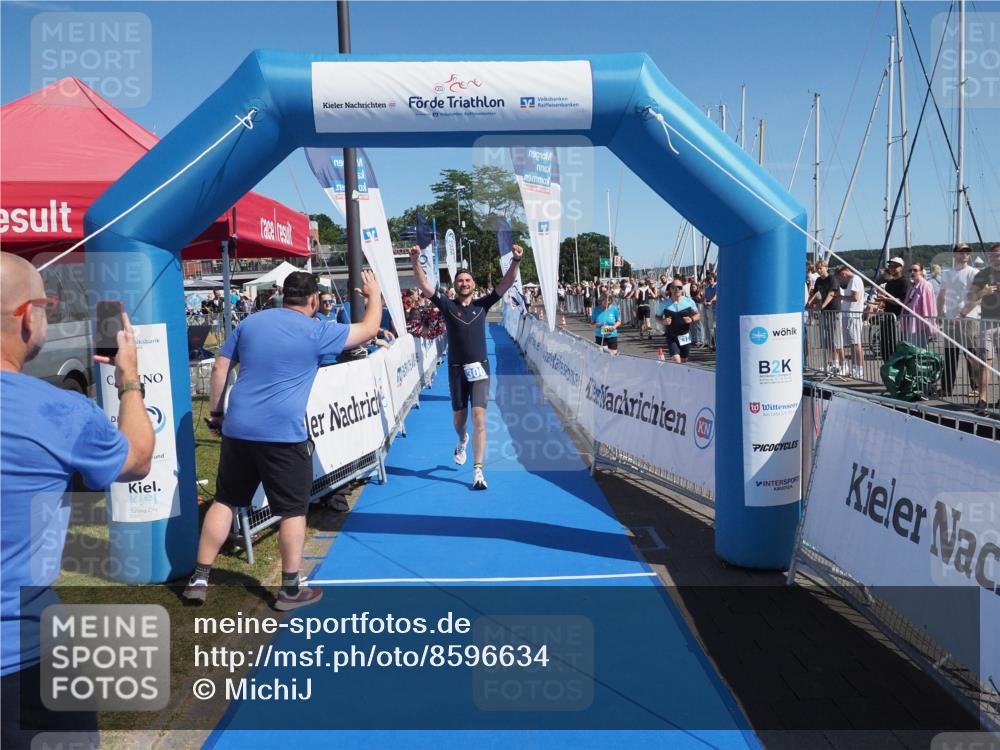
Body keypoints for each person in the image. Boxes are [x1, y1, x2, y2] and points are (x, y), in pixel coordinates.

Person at [1, 252, 154, 748]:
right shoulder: (60, 412)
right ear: (27, 318)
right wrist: (129, 378)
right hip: (26, 656)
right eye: (46, 305)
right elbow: (138, 458)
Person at [184, 270, 383, 609]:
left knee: (226, 501)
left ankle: (200, 577)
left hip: (239, 427)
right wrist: (373, 295)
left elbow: (220, 368)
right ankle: (290, 590)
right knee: (292, 510)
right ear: (314, 300)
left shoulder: (250, 323)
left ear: (283, 295)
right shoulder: (317, 330)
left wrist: (216, 415)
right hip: (282, 434)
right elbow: (369, 329)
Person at [408, 244, 523, 491]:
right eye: (460, 280)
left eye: (468, 280)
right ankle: (462, 440)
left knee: (479, 418)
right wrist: (415, 261)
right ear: (455, 284)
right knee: (460, 421)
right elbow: (423, 285)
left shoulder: (482, 305)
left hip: (480, 369)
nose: (464, 283)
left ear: (474, 284)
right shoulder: (447, 305)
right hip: (456, 370)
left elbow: (506, 283)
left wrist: (515, 260)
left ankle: (478, 470)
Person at [960, 244, 1000, 415]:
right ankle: (982, 400)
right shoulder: (982, 274)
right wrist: (984, 292)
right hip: (986, 324)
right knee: (985, 363)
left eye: (996, 254)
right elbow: (971, 296)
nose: (993, 257)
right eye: (991, 254)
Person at [939, 244, 981, 398]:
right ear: (954, 254)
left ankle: (976, 387)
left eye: (967, 252)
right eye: (961, 252)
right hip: (950, 319)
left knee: (971, 353)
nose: (964, 255)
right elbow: (941, 295)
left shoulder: (974, 272)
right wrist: (939, 313)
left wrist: (963, 314)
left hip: (969, 318)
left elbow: (977, 297)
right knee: (949, 353)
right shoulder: (947, 274)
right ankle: (946, 388)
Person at [833, 265, 866, 379]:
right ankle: (855, 367)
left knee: (856, 343)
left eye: (840, 278)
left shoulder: (854, 280)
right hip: (850, 315)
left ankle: (859, 368)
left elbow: (855, 297)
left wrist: (841, 297)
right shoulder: (853, 280)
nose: (841, 280)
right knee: (853, 343)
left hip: (853, 315)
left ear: (843, 273)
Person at [657, 281, 700, 363]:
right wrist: (663, 321)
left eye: (679, 287)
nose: (677, 289)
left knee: (683, 361)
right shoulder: (664, 304)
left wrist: (691, 319)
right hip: (671, 336)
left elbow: (698, 315)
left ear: (682, 289)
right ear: (670, 289)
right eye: (674, 287)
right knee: (676, 359)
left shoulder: (689, 301)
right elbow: (657, 316)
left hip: (685, 336)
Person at [900, 263, 938, 349]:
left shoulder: (926, 285)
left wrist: (930, 321)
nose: (912, 272)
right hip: (910, 320)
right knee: (912, 347)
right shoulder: (911, 286)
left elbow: (930, 305)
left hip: (921, 323)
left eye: (915, 270)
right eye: (910, 270)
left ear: (921, 272)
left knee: (921, 348)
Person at [702, 273, 718, 349]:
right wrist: (705, 301)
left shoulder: (717, 286)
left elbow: (716, 295)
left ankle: (716, 343)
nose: (710, 281)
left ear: (714, 279)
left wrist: (711, 301)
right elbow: (705, 297)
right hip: (708, 308)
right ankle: (711, 343)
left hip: (715, 308)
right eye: (708, 279)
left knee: (715, 326)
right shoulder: (707, 288)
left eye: (711, 279)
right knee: (709, 326)